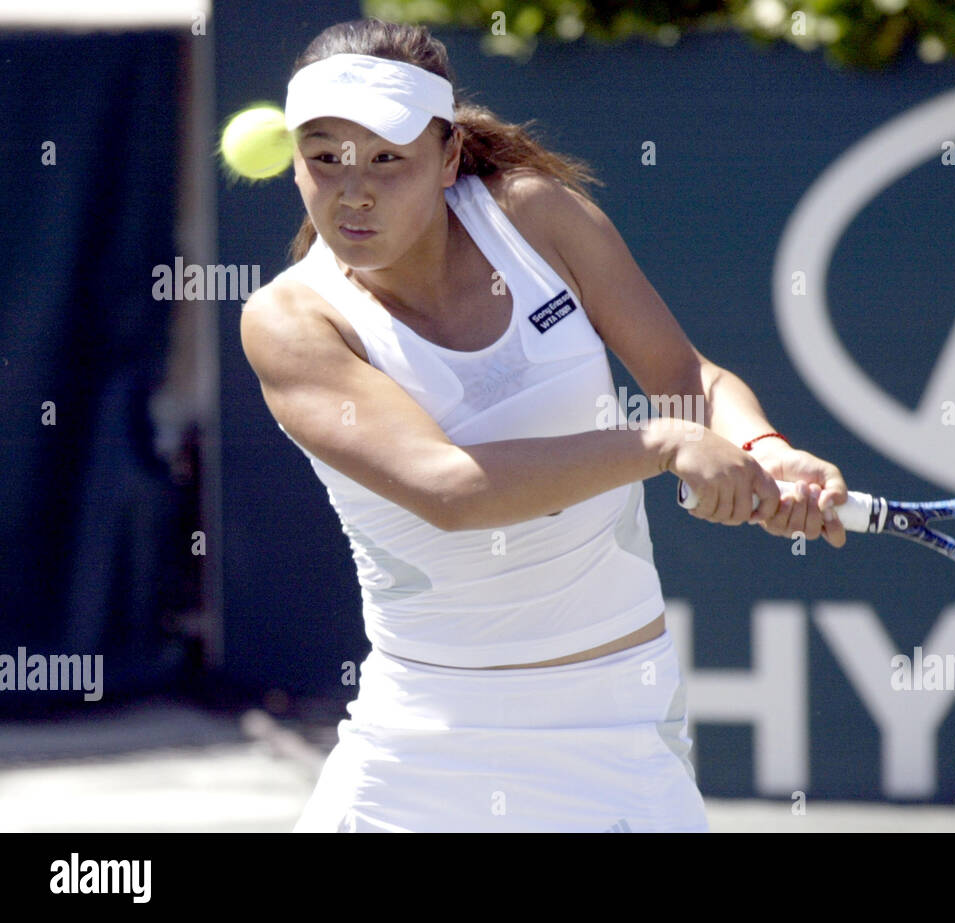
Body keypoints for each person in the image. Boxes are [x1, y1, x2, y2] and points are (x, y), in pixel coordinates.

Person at [239, 17, 848, 832]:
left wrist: (764, 448)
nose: (354, 189)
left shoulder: (533, 217)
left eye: (388, 158)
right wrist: (661, 444)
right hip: (421, 747)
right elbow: (450, 488)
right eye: (325, 157)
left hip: (619, 731)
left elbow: (685, 378)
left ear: (448, 156)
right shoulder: (290, 321)